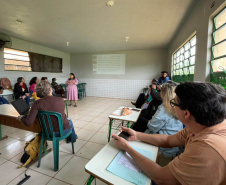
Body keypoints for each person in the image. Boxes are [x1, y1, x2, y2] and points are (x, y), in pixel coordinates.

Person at [112, 82, 226, 185]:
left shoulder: (207, 147)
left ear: (186, 113)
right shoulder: (199, 126)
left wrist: (127, 148)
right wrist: (137, 135)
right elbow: (168, 140)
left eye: (173, 103)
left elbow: (161, 177)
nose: (171, 107)